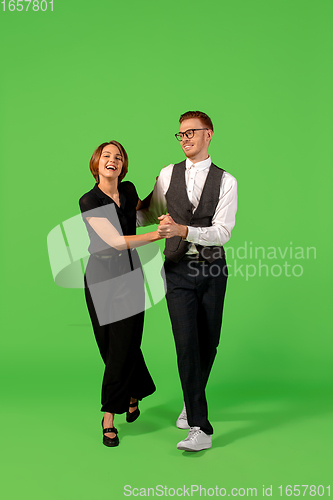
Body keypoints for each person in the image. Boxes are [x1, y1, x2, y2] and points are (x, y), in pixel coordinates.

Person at [137, 111, 238, 451]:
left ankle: (191, 400)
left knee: (208, 342)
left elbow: (222, 233)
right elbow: (146, 214)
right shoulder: (167, 173)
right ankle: (201, 428)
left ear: (208, 134)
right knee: (186, 344)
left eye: (191, 132)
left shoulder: (227, 181)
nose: (185, 139)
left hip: (212, 270)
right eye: (180, 134)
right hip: (177, 269)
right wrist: (117, 194)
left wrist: (184, 230)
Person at [79, 140, 164, 447]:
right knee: (109, 346)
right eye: (106, 155)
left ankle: (108, 416)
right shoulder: (89, 200)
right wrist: (156, 235)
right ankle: (133, 391)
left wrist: (158, 192)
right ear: (96, 163)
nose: (112, 159)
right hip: (100, 278)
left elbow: (140, 209)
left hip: (130, 277)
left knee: (125, 344)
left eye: (118, 156)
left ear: (123, 164)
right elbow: (115, 241)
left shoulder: (126, 190)